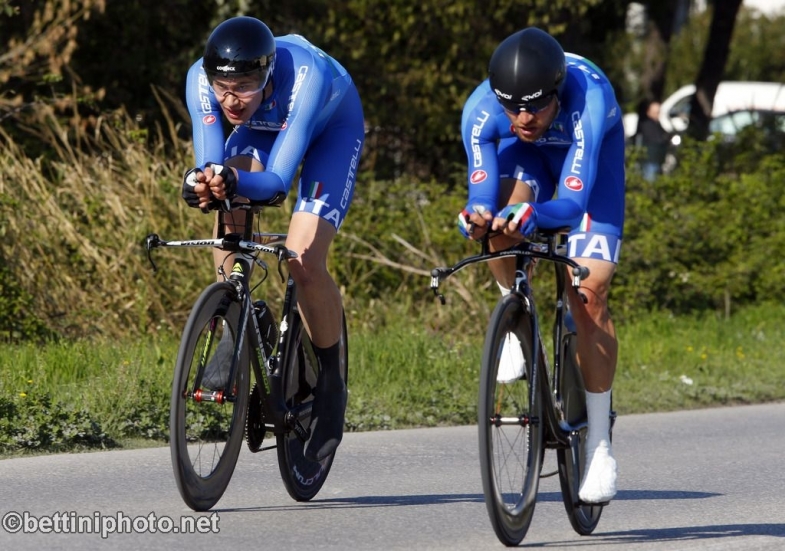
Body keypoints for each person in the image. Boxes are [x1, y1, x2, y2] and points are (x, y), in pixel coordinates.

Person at [181, 16, 365, 462]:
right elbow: (209, 164)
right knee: (228, 199)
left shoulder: (306, 75)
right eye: (223, 86)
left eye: (244, 86)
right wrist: (203, 181)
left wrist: (229, 177)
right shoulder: (200, 80)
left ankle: (330, 381)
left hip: (329, 132)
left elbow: (279, 181)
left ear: (266, 75)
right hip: (265, 132)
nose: (230, 98)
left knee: (302, 259)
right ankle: (240, 315)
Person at [458, 27, 624, 503]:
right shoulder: (484, 112)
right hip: (527, 162)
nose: (524, 118)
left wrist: (535, 214)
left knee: (589, 292)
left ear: (556, 92)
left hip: (587, 166)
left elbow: (572, 204)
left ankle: (599, 445)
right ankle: (513, 313)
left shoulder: (587, 99)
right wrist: (479, 217)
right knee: (499, 223)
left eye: (535, 106)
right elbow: (482, 195)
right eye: (513, 107)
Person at [635, 99, 669, 181]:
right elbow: (656, 140)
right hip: (650, 160)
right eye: (656, 112)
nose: (658, 114)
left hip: (655, 159)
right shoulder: (647, 124)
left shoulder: (656, 124)